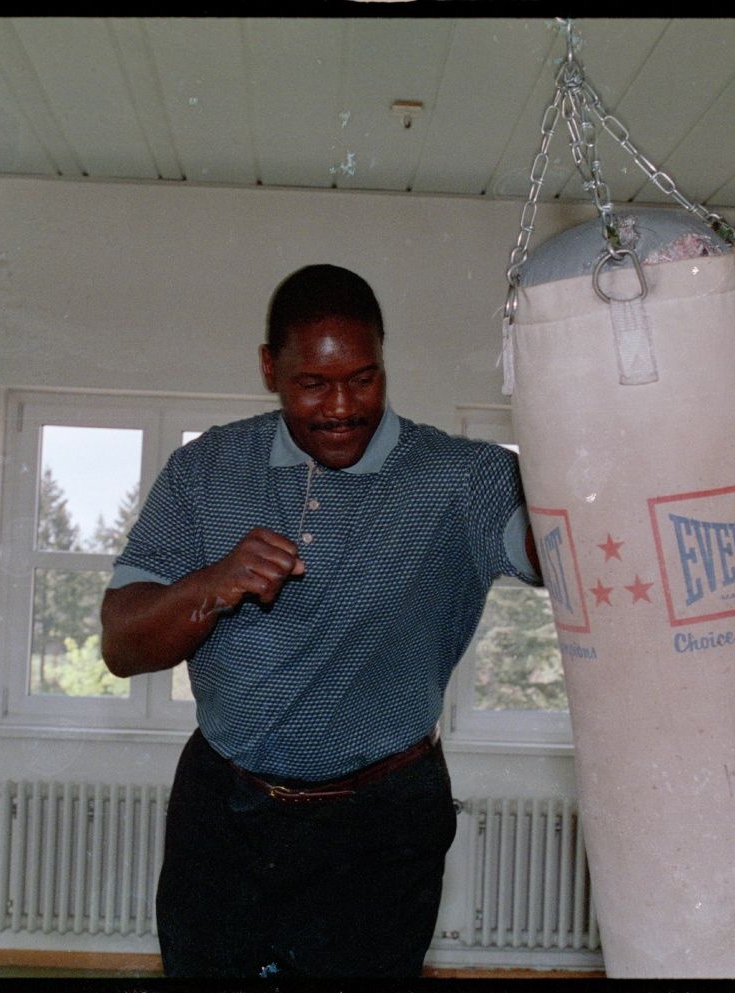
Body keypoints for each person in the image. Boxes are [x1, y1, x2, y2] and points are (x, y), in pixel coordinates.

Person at [99, 264, 540, 979]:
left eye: (363, 379)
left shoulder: (464, 478)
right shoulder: (203, 470)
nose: (342, 407)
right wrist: (211, 584)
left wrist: (592, 466)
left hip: (383, 823)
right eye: (313, 384)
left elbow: (551, 550)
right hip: (224, 811)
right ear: (271, 369)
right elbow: (121, 642)